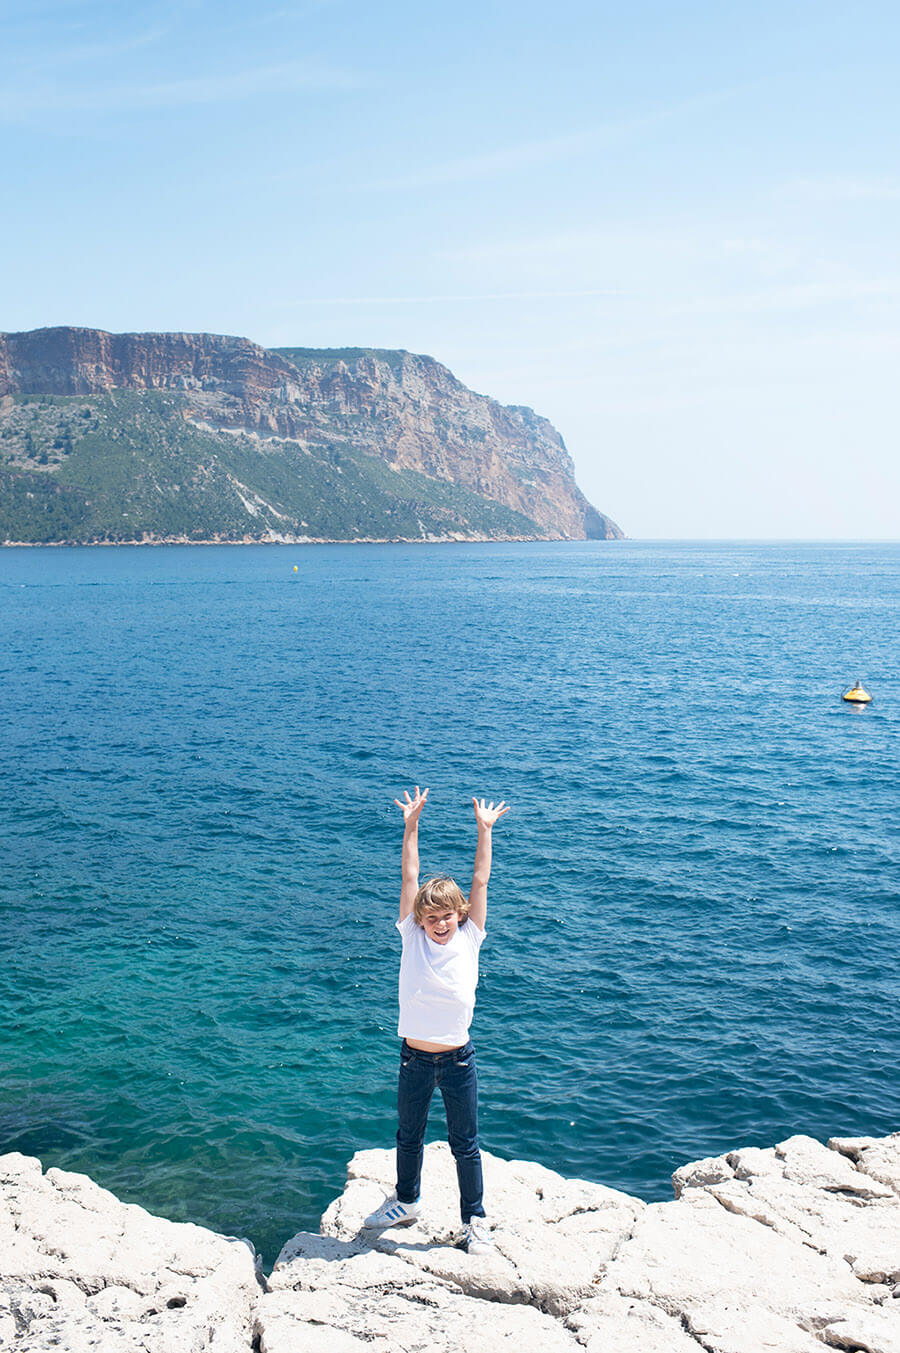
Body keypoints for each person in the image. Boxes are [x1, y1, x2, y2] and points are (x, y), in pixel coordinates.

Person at [364, 785, 510, 1255]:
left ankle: (476, 1221)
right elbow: (409, 875)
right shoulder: (412, 937)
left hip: (459, 1061)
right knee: (408, 1137)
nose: (439, 924)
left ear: (459, 914)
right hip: (415, 1058)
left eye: (447, 915)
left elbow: (481, 880)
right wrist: (412, 824)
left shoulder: (471, 936)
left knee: (464, 1144)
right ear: (420, 920)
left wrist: (483, 832)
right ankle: (406, 1202)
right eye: (431, 917)